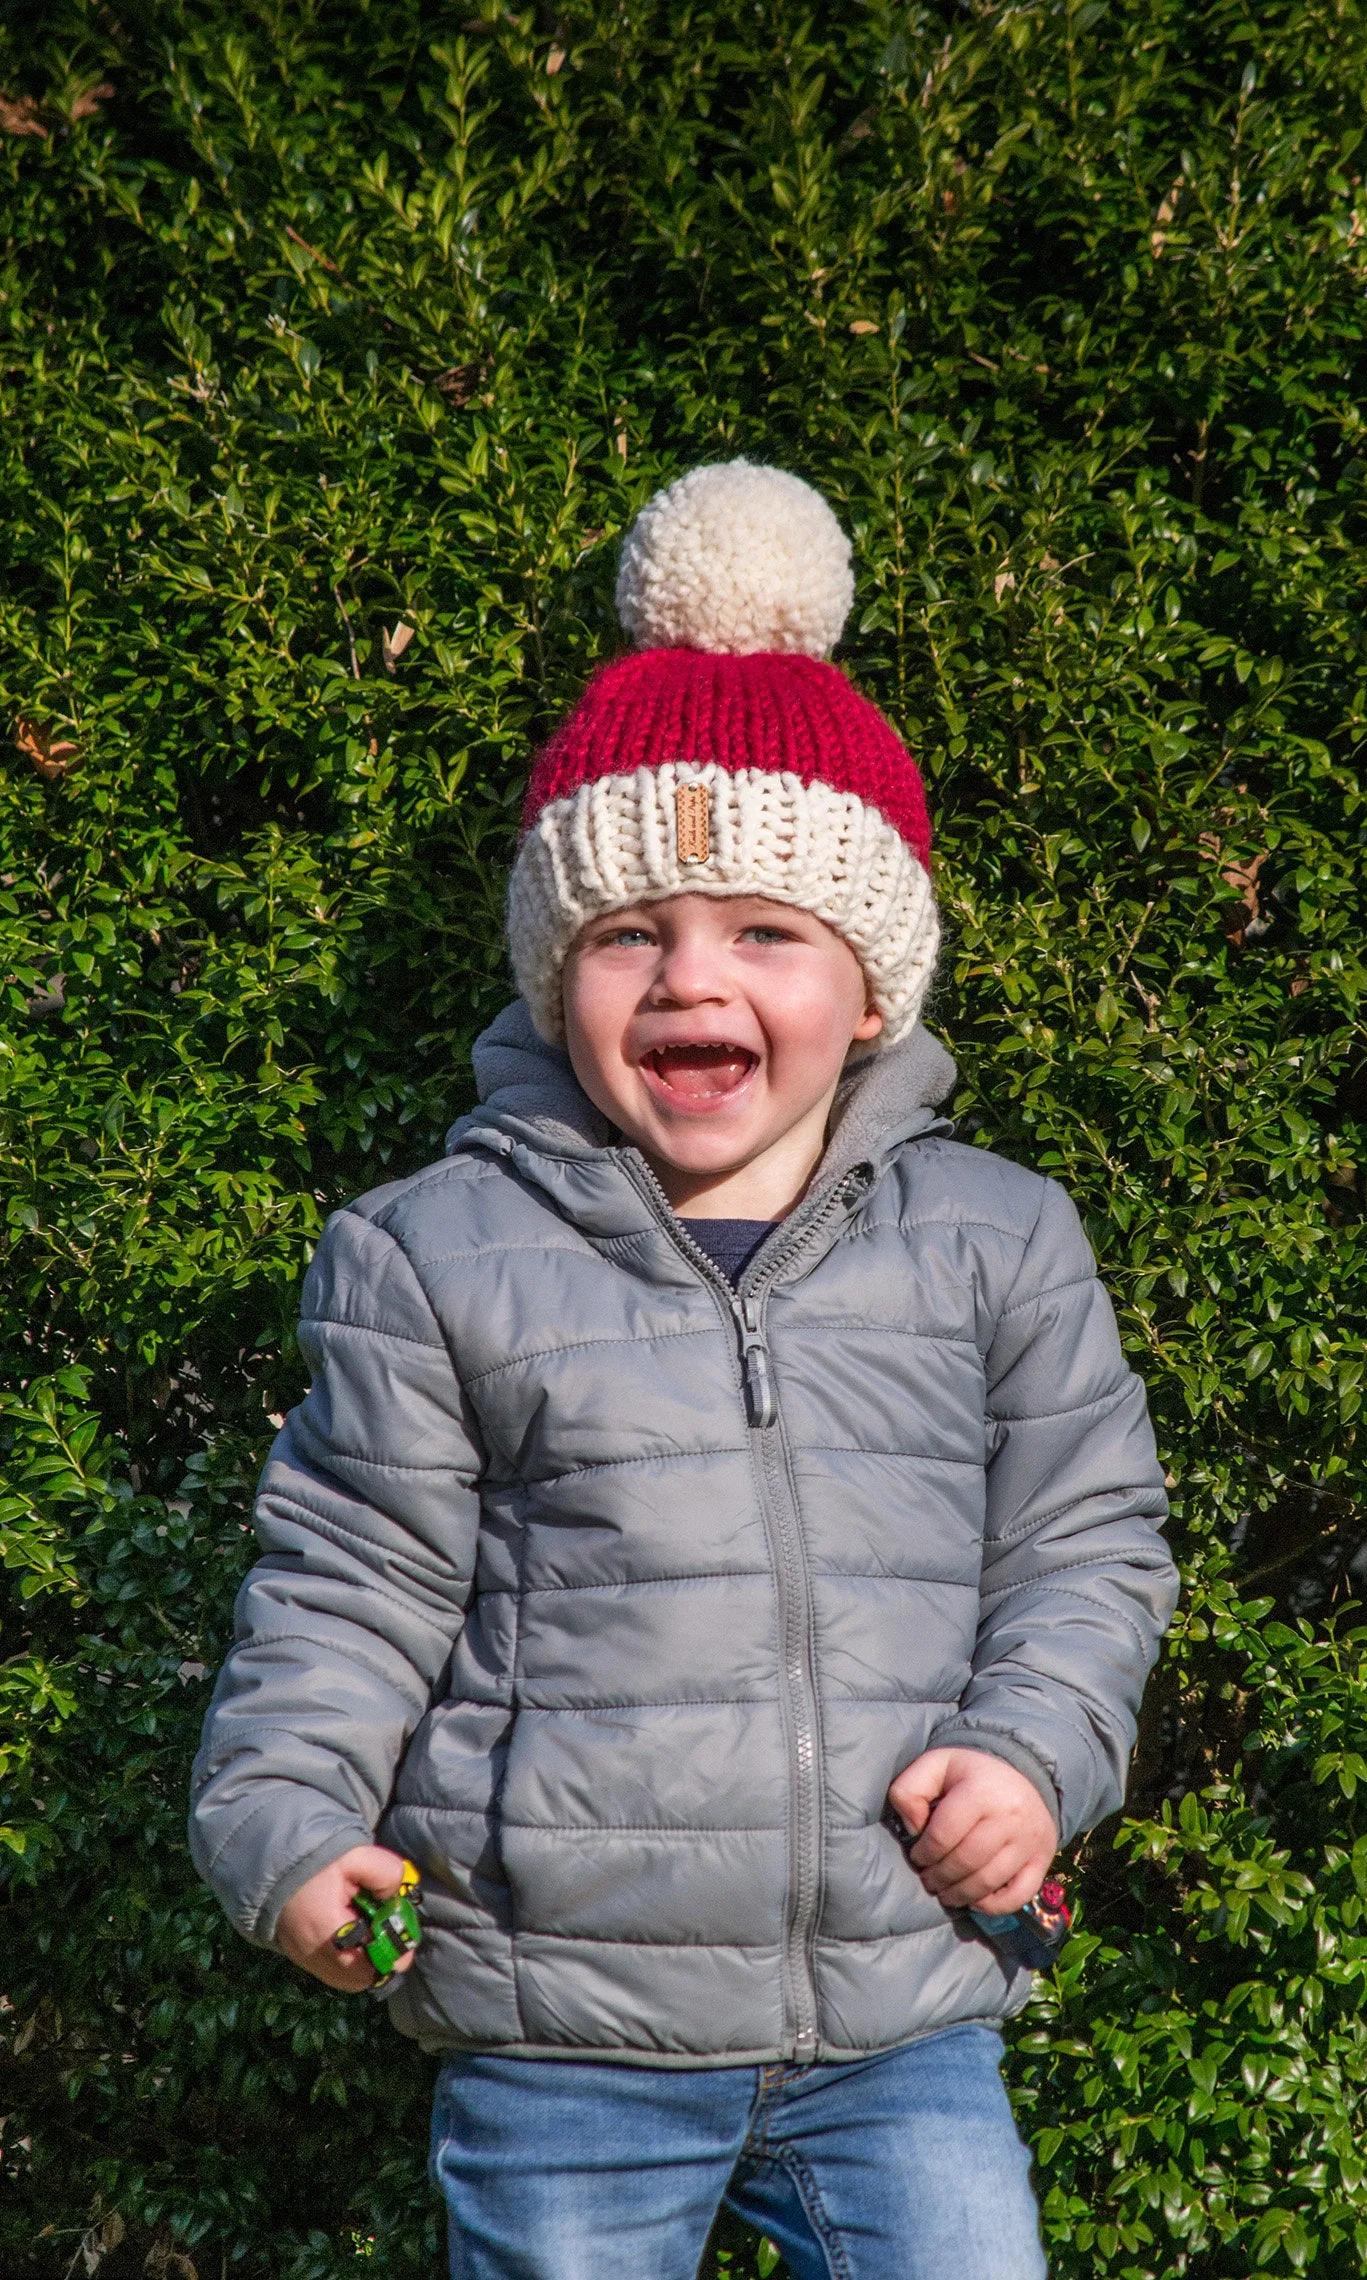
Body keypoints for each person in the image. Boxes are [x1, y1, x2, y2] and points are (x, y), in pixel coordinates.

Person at [189, 461, 1178, 2280]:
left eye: (766, 932)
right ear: (558, 972)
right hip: (563, 2032)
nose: (687, 977)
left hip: (902, 2011)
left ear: (873, 988)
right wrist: (289, 1829)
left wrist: (1034, 1759)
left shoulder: (999, 1236)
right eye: (627, 931)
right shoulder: (430, 1252)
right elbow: (349, 1581)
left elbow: (1088, 1546)